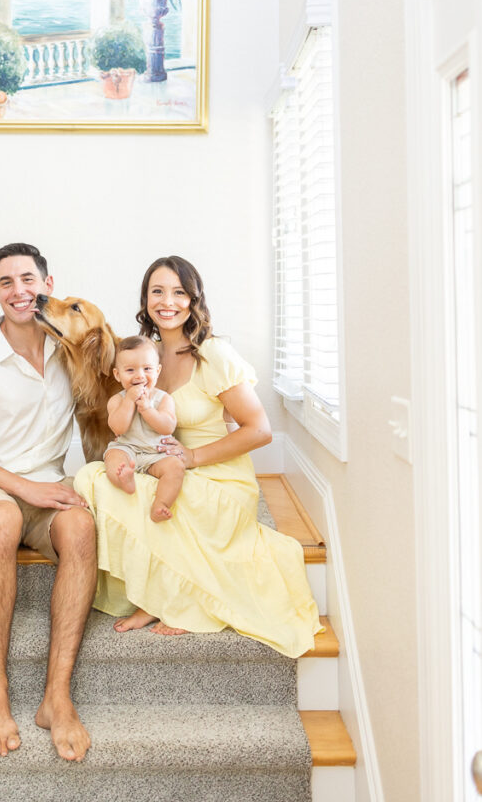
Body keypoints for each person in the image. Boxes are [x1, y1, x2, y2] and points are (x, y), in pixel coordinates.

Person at [75, 255, 322, 652]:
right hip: (162, 462)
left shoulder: (213, 355)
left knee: (161, 495)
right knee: (94, 479)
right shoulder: (144, 355)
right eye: (157, 291)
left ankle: (181, 600)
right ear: (145, 299)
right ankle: (153, 595)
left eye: (178, 292)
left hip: (217, 473)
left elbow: (259, 430)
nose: (167, 301)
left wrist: (193, 458)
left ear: (193, 299)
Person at [0, 242, 97, 763]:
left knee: (80, 528)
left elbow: (115, 393)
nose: (18, 290)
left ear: (48, 285)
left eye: (27, 279)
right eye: (6, 282)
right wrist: (22, 488)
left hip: (44, 490)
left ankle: (57, 695)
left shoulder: (68, 349)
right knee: (3, 517)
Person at [103, 335, 184, 522]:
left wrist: (147, 409)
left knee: (176, 467)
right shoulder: (117, 400)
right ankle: (124, 480)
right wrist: (129, 401)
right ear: (118, 374)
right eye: (130, 370)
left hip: (156, 453)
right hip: (127, 448)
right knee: (113, 458)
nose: (139, 375)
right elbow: (118, 428)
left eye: (147, 369)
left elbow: (167, 427)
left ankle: (161, 504)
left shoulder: (163, 399)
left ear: (157, 371)